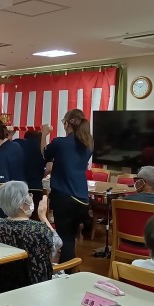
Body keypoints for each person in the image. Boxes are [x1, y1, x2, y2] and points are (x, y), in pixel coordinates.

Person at [0, 181, 62, 292]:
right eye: (28, 195)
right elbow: (58, 243)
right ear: (21, 205)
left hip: (6, 285)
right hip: (38, 285)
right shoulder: (39, 229)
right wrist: (43, 216)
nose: (31, 197)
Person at [42, 109, 93, 263]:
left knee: (66, 239)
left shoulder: (60, 143)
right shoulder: (88, 144)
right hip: (82, 199)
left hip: (64, 198)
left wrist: (44, 135)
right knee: (70, 237)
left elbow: (44, 154)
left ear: (67, 123)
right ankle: (69, 268)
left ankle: (66, 271)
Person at [13, 131, 46, 220]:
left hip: (20, 187)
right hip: (36, 186)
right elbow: (49, 167)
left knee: (18, 217)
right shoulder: (42, 148)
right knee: (35, 217)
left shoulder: (17, 143)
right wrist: (40, 175)